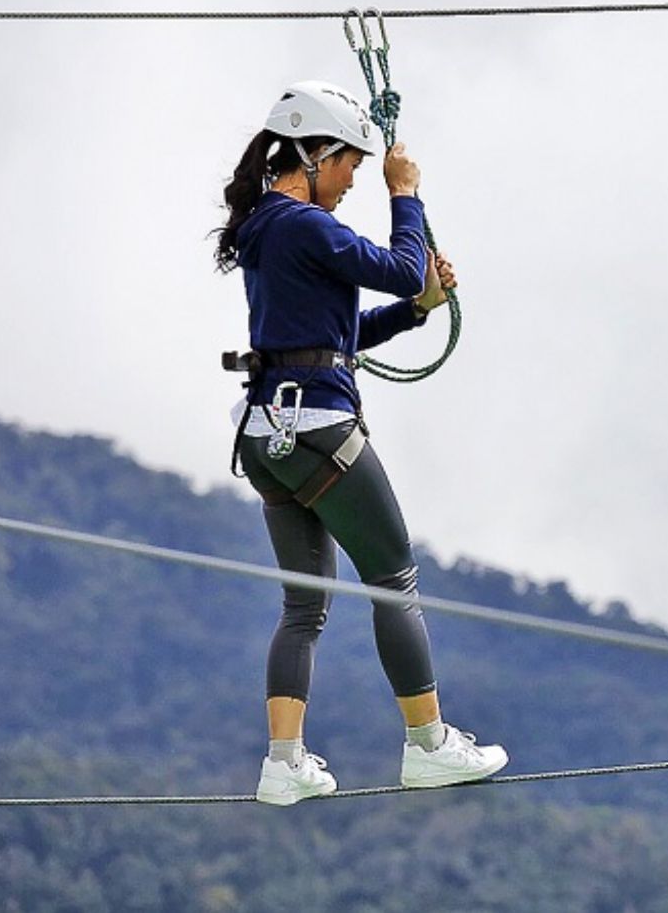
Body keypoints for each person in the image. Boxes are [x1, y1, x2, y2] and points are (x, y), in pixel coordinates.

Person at [213, 80, 507, 806]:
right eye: (349, 165)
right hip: (319, 428)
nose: (352, 181)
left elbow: (340, 338)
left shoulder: (269, 229)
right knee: (394, 577)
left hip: (268, 435)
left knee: (304, 608)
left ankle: (283, 760)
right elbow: (405, 263)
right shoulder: (304, 227)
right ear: (314, 155)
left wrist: (415, 310)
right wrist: (404, 192)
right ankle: (429, 743)